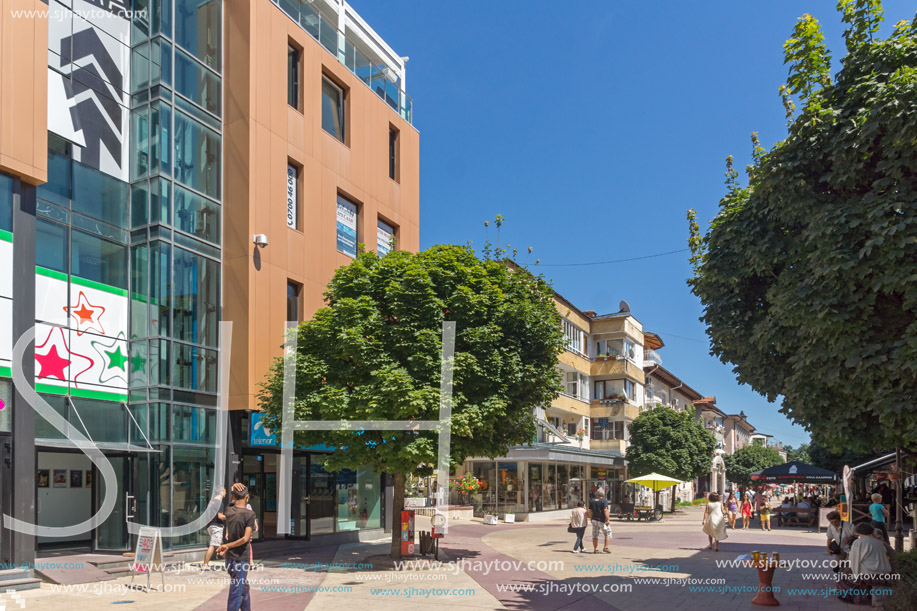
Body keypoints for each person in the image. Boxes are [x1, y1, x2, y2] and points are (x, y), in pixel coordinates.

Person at [218, 486, 256, 611]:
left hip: (229, 559)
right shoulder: (249, 514)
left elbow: (231, 501)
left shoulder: (229, 511)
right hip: (240, 559)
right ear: (247, 497)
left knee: (243, 588)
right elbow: (245, 539)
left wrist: (233, 488)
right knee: (236, 593)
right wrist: (227, 545)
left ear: (233, 497)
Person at [838, 522, 893, 605]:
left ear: (858, 532)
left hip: (870, 572)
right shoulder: (878, 542)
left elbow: (855, 561)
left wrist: (855, 575)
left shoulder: (858, 542)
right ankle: (867, 594)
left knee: (843, 572)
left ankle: (853, 596)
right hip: (884, 571)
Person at [201, 489, 227, 571]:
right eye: (225, 491)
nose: (225, 493)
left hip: (210, 526)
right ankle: (205, 565)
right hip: (216, 526)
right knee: (213, 545)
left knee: (220, 545)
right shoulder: (219, 503)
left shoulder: (211, 502)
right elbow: (220, 516)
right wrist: (229, 516)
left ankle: (229, 563)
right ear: (221, 492)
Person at [588, 488, 612, 554]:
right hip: (603, 520)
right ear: (603, 494)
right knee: (608, 532)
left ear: (597, 494)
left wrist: (590, 518)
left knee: (595, 535)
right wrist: (608, 519)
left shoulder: (592, 501)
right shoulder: (604, 501)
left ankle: (596, 549)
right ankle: (606, 547)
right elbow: (605, 510)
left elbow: (589, 511)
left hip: (594, 520)